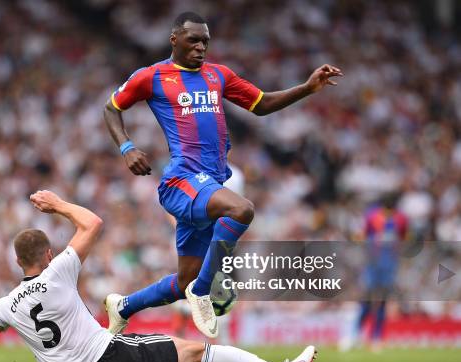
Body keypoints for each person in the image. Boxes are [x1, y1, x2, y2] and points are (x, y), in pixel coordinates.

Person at [103, 11, 343, 337]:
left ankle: (123, 307)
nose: (201, 47)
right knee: (241, 209)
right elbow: (112, 107)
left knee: (183, 281)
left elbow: (261, 104)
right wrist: (127, 147)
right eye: (193, 40)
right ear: (174, 39)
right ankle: (203, 291)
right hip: (181, 180)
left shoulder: (218, 75)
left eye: (205, 41)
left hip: (208, 184)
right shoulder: (153, 76)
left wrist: (306, 88)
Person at [0, 190, 317, 362]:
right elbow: (92, 222)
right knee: (200, 351)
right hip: (110, 354)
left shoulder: (6, 305)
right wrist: (57, 205)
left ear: (15, 261)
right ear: (48, 254)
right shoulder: (58, 271)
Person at [340, 195, 408, 352]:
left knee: (382, 301)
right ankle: (355, 335)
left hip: (389, 265)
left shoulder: (400, 219)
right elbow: (363, 235)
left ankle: (375, 337)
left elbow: (402, 238)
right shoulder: (373, 216)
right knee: (368, 300)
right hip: (373, 265)